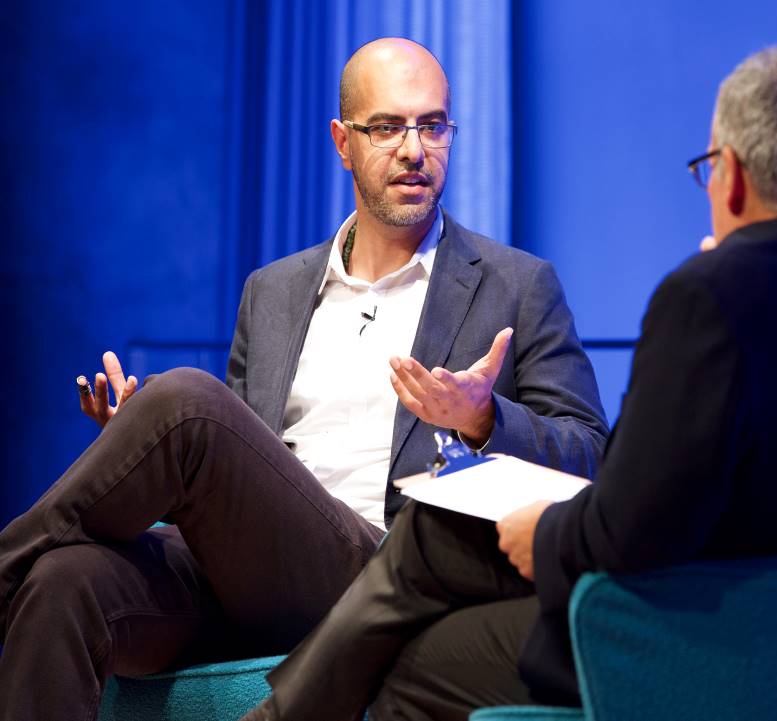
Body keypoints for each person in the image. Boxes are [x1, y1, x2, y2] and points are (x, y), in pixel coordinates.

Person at [237, 43, 777, 721]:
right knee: (433, 536)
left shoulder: (710, 298)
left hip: (687, 636)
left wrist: (542, 531)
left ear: (731, 174)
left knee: (415, 654)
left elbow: (631, 521)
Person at [0, 38, 608, 720]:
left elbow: (590, 452)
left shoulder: (517, 286)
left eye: (433, 125)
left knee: (189, 406)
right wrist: (139, 446)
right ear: (342, 142)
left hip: (378, 573)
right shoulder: (275, 290)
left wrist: (483, 416)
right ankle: (29, 563)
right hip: (239, 574)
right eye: (387, 127)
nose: (415, 150)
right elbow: (242, 468)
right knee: (61, 582)